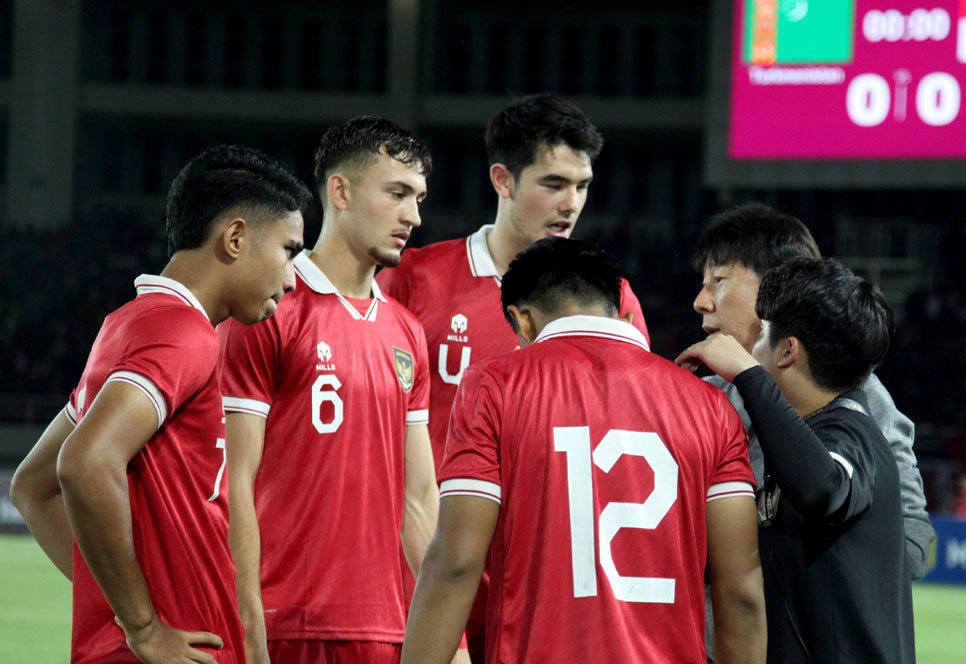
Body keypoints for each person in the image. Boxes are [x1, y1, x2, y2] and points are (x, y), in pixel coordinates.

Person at [10, 145, 311, 663]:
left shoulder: (127, 323)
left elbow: (32, 487)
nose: (290, 279)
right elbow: (83, 464)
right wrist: (144, 626)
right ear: (235, 238)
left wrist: (119, 607)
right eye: (289, 251)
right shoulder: (182, 335)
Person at [402, 238, 766, 664]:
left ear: (521, 321)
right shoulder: (709, 405)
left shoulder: (492, 386)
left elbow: (456, 563)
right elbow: (740, 589)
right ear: (622, 313)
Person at [377, 95, 648, 658]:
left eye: (582, 185)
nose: (571, 204)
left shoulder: (612, 302)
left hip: (549, 581)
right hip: (424, 570)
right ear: (502, 178)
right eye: (553, 183)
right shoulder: (414, 281)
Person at [218, 117, 454, 664]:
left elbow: (420, 500)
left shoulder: (407, 331)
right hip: (287, 626)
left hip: (388, 630)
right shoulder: (269, 311)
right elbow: (235, 484)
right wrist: (249, 626)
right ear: (341, 191)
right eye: (397, 194)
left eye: (418, 198)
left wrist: (454, 638)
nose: (413, 216)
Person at [677, 257, 916, 663]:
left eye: (762, 336)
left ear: (787, 351)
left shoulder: (854, 431)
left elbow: (823, 489)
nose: (751, 348)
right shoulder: (800, 438)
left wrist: (747, 375)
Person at [688, 203, 934, 576]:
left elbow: (911, 545)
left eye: (718, 281)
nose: (701, 301)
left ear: (780, 283)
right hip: (707, 634)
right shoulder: (705, 395)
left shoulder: (859, 399)